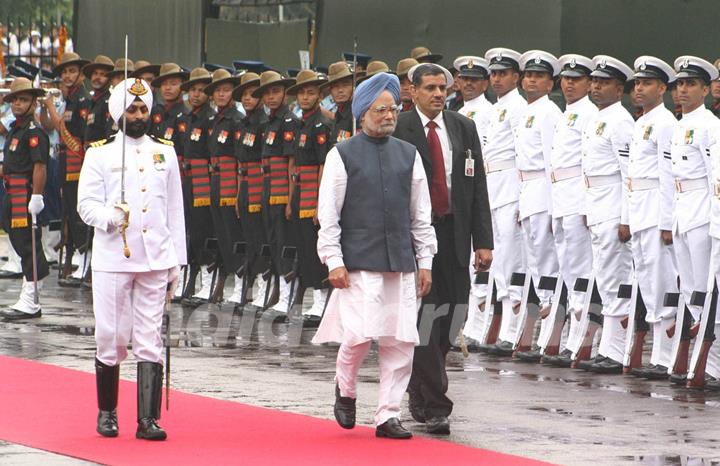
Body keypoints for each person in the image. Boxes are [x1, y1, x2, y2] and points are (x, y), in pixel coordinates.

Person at [313, 72, 437, 439]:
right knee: (358, 336)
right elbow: (328, 214)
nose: (388, 115)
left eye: (393, 109)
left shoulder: (409, 154)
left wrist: (425, 262)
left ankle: (388, 414)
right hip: (358, 264)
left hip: (400, 262)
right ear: (363, 113)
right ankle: (346, 387)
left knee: (400, 342)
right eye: (380, 109)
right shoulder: (342, 154)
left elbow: (421, 214)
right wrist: (333, 260)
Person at [77, 77, 186, 441]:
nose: (139, 115)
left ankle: (147, 419)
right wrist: (110, 216)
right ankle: (107, 412)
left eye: (143, 109)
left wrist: (177, 263)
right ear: (116, 112)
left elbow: (174, 211)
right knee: (111, 334)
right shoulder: (100, 152)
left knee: (149, 337)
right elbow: (85, 206)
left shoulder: (165, 151)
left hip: (155, 258)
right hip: (113, 257)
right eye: (132, 108)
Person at [393, 63, 493, 434]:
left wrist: (483, 240)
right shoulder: (399, 129)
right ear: (413, 91)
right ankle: (436, 403)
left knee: (454, 314)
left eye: (443, 88)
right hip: (417, 233)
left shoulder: (463, 127)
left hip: (456, 232)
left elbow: (477, 185)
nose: (438, 94)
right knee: (425, 316)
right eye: (430, 88)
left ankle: (419, 386)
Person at [578, 55, 635, 373]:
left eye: (604, 82)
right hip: (597, 204)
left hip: (614, 206)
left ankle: (615, 349)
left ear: (619, 88)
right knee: (603, 276)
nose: (596, 86)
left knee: (616, 280)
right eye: (595, 81)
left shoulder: (621, 121)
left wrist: (626, 217)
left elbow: (629, 174)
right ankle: (608, 346)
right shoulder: (596, 118)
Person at [667, 55, 719, 384]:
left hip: (702, 209)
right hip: (681, 208)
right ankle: (701, 357)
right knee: (691, 290)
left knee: (707, 288)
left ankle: (711, 363)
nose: (683, 90)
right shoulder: (680, 125)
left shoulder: (711, 125)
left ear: (704, 90)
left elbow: (716, 177)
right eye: (680, 84)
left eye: (691, 85)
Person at [541, 54, 597, 366]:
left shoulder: (589, 113)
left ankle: (581, 342)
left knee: (581, 272)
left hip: (578, 196)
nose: (569, 84)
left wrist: (587, 205)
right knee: (567, 269)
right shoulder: (567, 113)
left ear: (589, 83)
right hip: (561, 196)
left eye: (576, 79)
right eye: (566, 78)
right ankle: (569, 340)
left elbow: (589, 164)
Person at [626, 56, 679, 379]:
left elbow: (668, 175)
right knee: (647, 281)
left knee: (662, 282)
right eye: (637, 83)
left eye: (647, 83)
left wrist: (666, 222)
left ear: (662, 88)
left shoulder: (665, 123)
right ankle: (659, 355)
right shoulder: (642, 121)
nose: (639, 89)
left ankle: (667, 356)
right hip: (639, 207)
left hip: (657, 207)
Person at [511, 50, 562, 360]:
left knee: (547, 261)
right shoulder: (529, 110)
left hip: (543, 188)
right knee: (533, 260)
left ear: (549, 83)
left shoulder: (549, 113)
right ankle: (538, 334)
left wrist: (552, 204)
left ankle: (552, 332)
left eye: (539, 76)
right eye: (528, 74)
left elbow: (550, 162)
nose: (531, 79)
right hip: (526, 188)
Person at [479, 47, 527, 356]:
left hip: (512, 186)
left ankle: (514, 331)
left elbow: (525, 156)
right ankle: (496, 331)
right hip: (493, 186)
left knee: (512, 262)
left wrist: (523, 197)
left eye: (503, 73)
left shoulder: (519, 107)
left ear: (516, 77)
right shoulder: (497, 108)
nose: (497, 79)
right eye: (493, 74)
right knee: (497, 262)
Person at [0, 78, 50, 320]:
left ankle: (32, 297)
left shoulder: (33, 131)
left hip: (25, 193)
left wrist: (37, 196)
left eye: (23, 99)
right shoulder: (16, 129)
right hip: (12, 190)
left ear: (33, 102)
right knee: (19, 242)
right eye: (15, 99)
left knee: (28, 242)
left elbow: (39, 165)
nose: (18, 103)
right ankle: (27, 290)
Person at [285, 70, 332, 326]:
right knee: (304, 246)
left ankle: (322, 299)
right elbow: (294, 166)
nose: (305, 96)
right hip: (301, 190)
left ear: (320, 95)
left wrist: (319, 203)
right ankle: (314, 298)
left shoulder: (321, 125)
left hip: (315, 190)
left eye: (311, 92)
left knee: (317, 249)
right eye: (302, 92)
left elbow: (325, 164)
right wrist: (291, 200)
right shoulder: (301, 123)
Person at [254, 70, 299, 314]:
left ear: (283, 93)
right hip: (267, 189)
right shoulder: (266, 123)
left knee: (284, 242)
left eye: (276, 92)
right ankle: (277, 291)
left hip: (282, 190)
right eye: (267, 93)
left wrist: (291, 199)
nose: (271, 97)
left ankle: (287, 293)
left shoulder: (289, 121)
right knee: (270, 240)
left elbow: (292, 164)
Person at [44, 52, 91, 286]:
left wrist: (51, 107)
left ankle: (85, 261)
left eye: (72, 71)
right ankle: (79, 259)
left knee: (78, 214)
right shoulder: (71, 98)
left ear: (81, 73)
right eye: (64, 72)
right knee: (70, 213)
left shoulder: (82, 99)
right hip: (66, 162)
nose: (67, 75)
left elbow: (69, 134)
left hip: (77, 163)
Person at [177, 67, 216, 305]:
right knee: (185, 228)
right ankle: (186, 274)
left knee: (202, 229)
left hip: (204, 180)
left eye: (202, 90)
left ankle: (202, 276)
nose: (196, 94)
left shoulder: (210, 119)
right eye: (192, 89)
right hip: (186, 178)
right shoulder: (185, 119)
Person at [204, 69, 243, 303]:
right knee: (221, 233)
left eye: (226, 90)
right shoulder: (215, 120)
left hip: (230, 181)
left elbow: (240, 157)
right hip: (215, 180)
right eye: (217, 90)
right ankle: (231, 279)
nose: (221, 94)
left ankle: (240, 283)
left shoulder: (236, 119)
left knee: (233, 232)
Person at [233, 72, 271, 309]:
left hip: (260, 184)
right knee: (247, 236)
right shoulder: (243, 123)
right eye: (244, 95)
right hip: (244, 185)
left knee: (260, 238)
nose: (247, 99)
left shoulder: (263, 123)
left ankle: (264, 284)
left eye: (252, 95)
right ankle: (250, 284)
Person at [82, 55, 115, 144]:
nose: (97, 77)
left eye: (102, 74)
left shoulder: (110, 102)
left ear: (110, 79)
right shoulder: (92, 101)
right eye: (95, 73)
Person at [322, 62, 355, 145]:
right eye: (335, 86)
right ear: (330, 91)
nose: (340, 90)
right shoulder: (338, 114)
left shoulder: (356, 115)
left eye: (345, 85)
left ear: (353, 86)